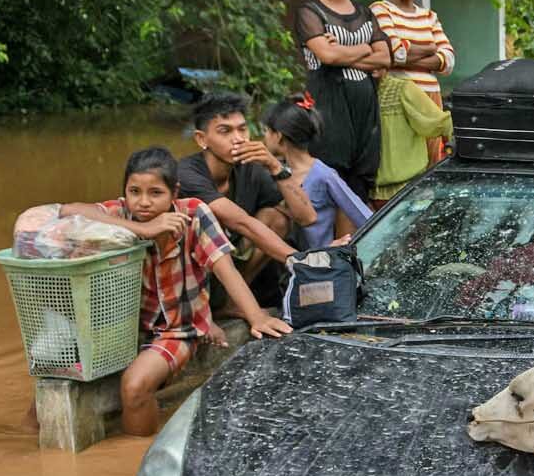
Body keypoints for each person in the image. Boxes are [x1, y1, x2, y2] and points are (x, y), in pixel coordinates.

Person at [59, 147, 290, 437]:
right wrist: (141, 229)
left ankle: (137, 460)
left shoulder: (193, 213)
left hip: (178, 329)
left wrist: (256, 316)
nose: (143, 202)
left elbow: (225, 268)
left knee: (135, 386)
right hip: (128, 329)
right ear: (125, 193)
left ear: (174, 193)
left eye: (155, 193)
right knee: (51, 389)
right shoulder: (122, 214)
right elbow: (67, 212)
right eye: (135, 192)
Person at [177, 92, 316, 282]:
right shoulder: (187, 174)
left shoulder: (249, 167)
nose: (238, 139)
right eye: (225, 131)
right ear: (201, 139)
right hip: (191, 266)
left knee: (277, 218)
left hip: (232, 257)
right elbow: (242, 223)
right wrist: (303, 261)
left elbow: (307, 217)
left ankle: (234, 301)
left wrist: (275, 166)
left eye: (242, 129)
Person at [294, 0, 389, 198]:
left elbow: (385, 57)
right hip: (329, 108)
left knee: (361, 182)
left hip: (365, 112)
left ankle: (355, 238)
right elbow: (326, 56)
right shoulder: (310, 12)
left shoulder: (365, 13)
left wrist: (343, 52)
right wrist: (364, 48)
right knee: (331, 179)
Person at [366, 0, 456, 164]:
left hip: (431, 98)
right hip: (399, 100)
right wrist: (429, 49)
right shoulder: (380, 10)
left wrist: (406, 53)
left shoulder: (429, 16)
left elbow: (449, 61)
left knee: (432, 160)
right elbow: (392, 52)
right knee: (404, 162)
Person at [261, 98, 372, 249]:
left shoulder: (324, 175)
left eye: (267, 131)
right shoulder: (275, 171)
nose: (264, 137)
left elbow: (360, 213)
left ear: (279, 136)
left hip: (318, 263)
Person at [373, 71, 454, 201]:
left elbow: (442, 123)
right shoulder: (356, 91)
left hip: (409, 191)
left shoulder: (403, 89)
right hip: (367, 193)